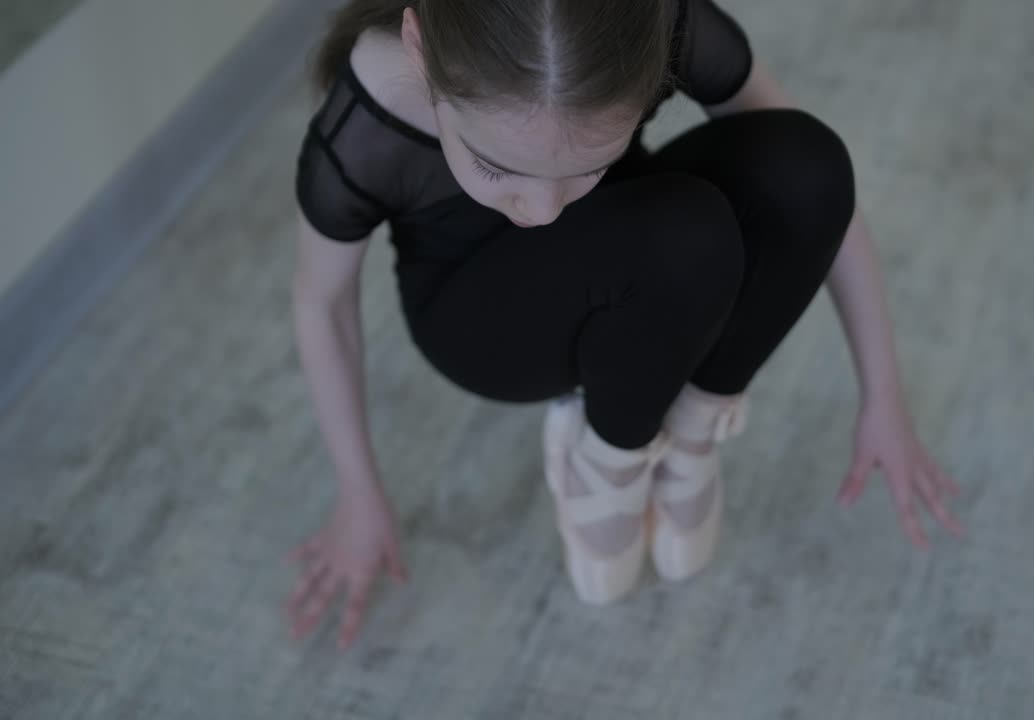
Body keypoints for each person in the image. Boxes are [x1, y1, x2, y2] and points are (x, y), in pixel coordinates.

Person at [286, 0, 963, 649]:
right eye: (496, 167)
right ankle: (608, 457)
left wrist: (884, 398)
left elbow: (815, 198)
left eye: (585, 167)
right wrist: (358, 492)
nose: (544, 210)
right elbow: (322, 303)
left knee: (806, 162)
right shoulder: (373, 109)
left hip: (638, 251)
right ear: (420, 47)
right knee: (684, 233)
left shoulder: (656, 22)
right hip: (480, 319)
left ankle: (694, 424)